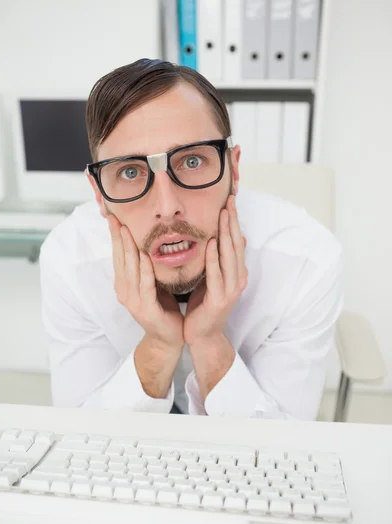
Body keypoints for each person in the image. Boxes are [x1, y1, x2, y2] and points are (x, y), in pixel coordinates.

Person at [39, 58, 343, 420]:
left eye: (192, 161)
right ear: (99, 193)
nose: (167, 209)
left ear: (233, 168)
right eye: (131, 171)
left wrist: (209, 340)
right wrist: (158, 345)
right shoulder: (69, 260)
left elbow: (280, 446)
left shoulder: (305, 260)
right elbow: (81, 434)